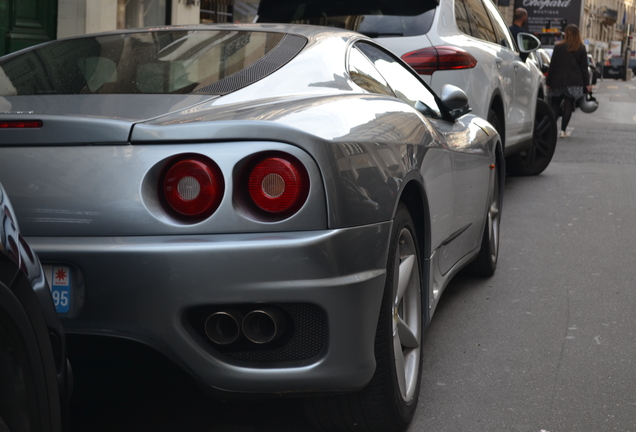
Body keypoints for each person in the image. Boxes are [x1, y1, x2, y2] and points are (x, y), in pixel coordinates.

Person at [546, 24, 591, 138]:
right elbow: (584, 68)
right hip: (574, 81)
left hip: (558, 80)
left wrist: (548, 82)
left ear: (566, 34)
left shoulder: (558, 47)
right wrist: (587, 84)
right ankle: (563, 131)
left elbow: (552, 66)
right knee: (568, 106)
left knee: (554, 106)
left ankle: (550, 130)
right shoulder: (581, 48)